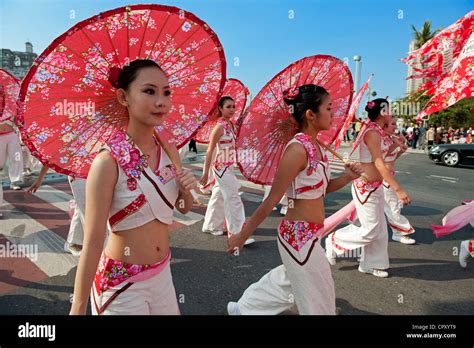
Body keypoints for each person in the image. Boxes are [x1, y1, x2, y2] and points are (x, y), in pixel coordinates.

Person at [70, 59, 197, 315]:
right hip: (121, 285)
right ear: (123, 97)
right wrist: (77, 308)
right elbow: (93, 242)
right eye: (149, 91)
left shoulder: (170, 151)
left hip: (163, 273)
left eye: (166, 92)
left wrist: (185, 191)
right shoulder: (108, 162)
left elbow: (183, 208)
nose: (161, 101)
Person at [226, 84, 363, 315]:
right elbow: (271, 201)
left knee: (287, 281)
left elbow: (320, 190)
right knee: (320, 296)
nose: (333, 114)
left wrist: (348, 176)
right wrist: (241, 236)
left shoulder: (318, 147)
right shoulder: (297, 149)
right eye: (328, 108)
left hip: (311, 233)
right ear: (310, 114)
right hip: (297, 236)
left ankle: (245, 308)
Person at [326, 98, 411, 278]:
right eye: (389, 110)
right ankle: (334, 241)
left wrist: (396, 146)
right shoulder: (372, 133)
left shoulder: (379, 132)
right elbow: (379, 164)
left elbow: (383, 158)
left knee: (379, 230)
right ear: (382, 113)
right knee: (371, 229)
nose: (392, 112)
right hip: (365, 186)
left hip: (376, 186)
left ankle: (370, 264)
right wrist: (398, 189)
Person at [200, 96, 254, 245]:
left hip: (229, 166)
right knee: (233, 198)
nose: (232, 110)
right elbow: (210, 151)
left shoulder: (231, 125)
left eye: (233, 107)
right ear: (220, 109)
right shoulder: (219, 127)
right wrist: (205, 174)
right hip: (221, 168)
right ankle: (237, 233)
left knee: (218, 197)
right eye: (228, 107)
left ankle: (210, 225)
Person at [382, 117, 416, 245]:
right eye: (393, 124)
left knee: (389, 207)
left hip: (388, 177)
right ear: (383, 126)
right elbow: (380, 158)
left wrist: (400, 151)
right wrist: (397, 143)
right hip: (383, 179)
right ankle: (399, 232)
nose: (396, 127)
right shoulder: (379, 140)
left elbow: (390, 159)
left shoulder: (388, 139)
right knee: (393, 207)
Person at [0, 121, 24, 218]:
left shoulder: (12, 105)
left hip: (11, 134)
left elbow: (20, 119)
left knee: (17, 157)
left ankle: (15, 179)